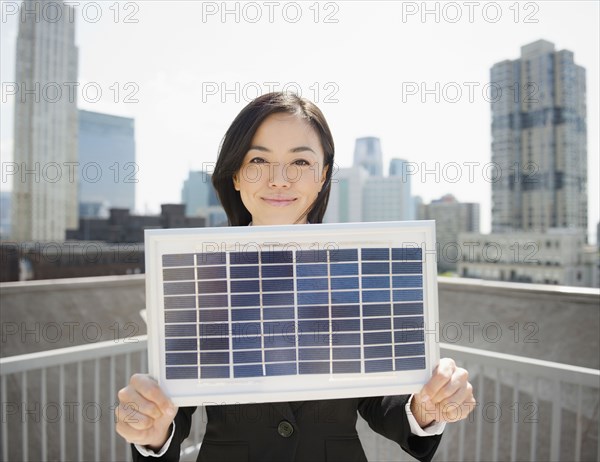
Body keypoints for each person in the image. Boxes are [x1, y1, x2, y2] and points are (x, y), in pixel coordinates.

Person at [115, 92, 475, 462]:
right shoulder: (199, 278)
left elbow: (379, 397)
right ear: (236, 175)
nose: (280, 179)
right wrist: (152, 431)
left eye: (300, 161)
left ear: (322, 176)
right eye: (258, 159)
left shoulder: (355, 270)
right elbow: (176, 410)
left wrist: (427, 407)